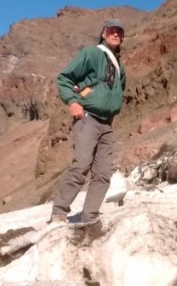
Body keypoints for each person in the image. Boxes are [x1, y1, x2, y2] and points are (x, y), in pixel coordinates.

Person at [49, 18, 126, 224]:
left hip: (107, 124)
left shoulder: (119, 65)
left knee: (103, 173)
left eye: (120, 32)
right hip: (88, 118)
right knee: (81, 165)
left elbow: (120, 89)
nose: (116, 34)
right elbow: (64, 78)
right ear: (103, 33)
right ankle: (59, 212)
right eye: (112, 31)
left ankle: (89, 217)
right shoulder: (91, 54)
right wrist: (73, 102)